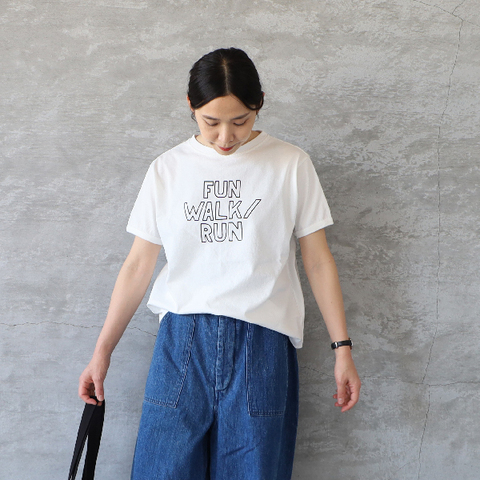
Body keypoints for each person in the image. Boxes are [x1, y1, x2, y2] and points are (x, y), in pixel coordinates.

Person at [78, 47, 360, 480]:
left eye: (240, 121)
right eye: (211, 122)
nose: (225, 137)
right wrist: (101, 354)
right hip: (181, 342)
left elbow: (318, 261)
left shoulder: (290, 164)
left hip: (262, 344)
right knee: (160, 472)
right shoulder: (167, 170)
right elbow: (137, 266)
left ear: (259, 104)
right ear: (191, 107)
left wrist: (343, 350)